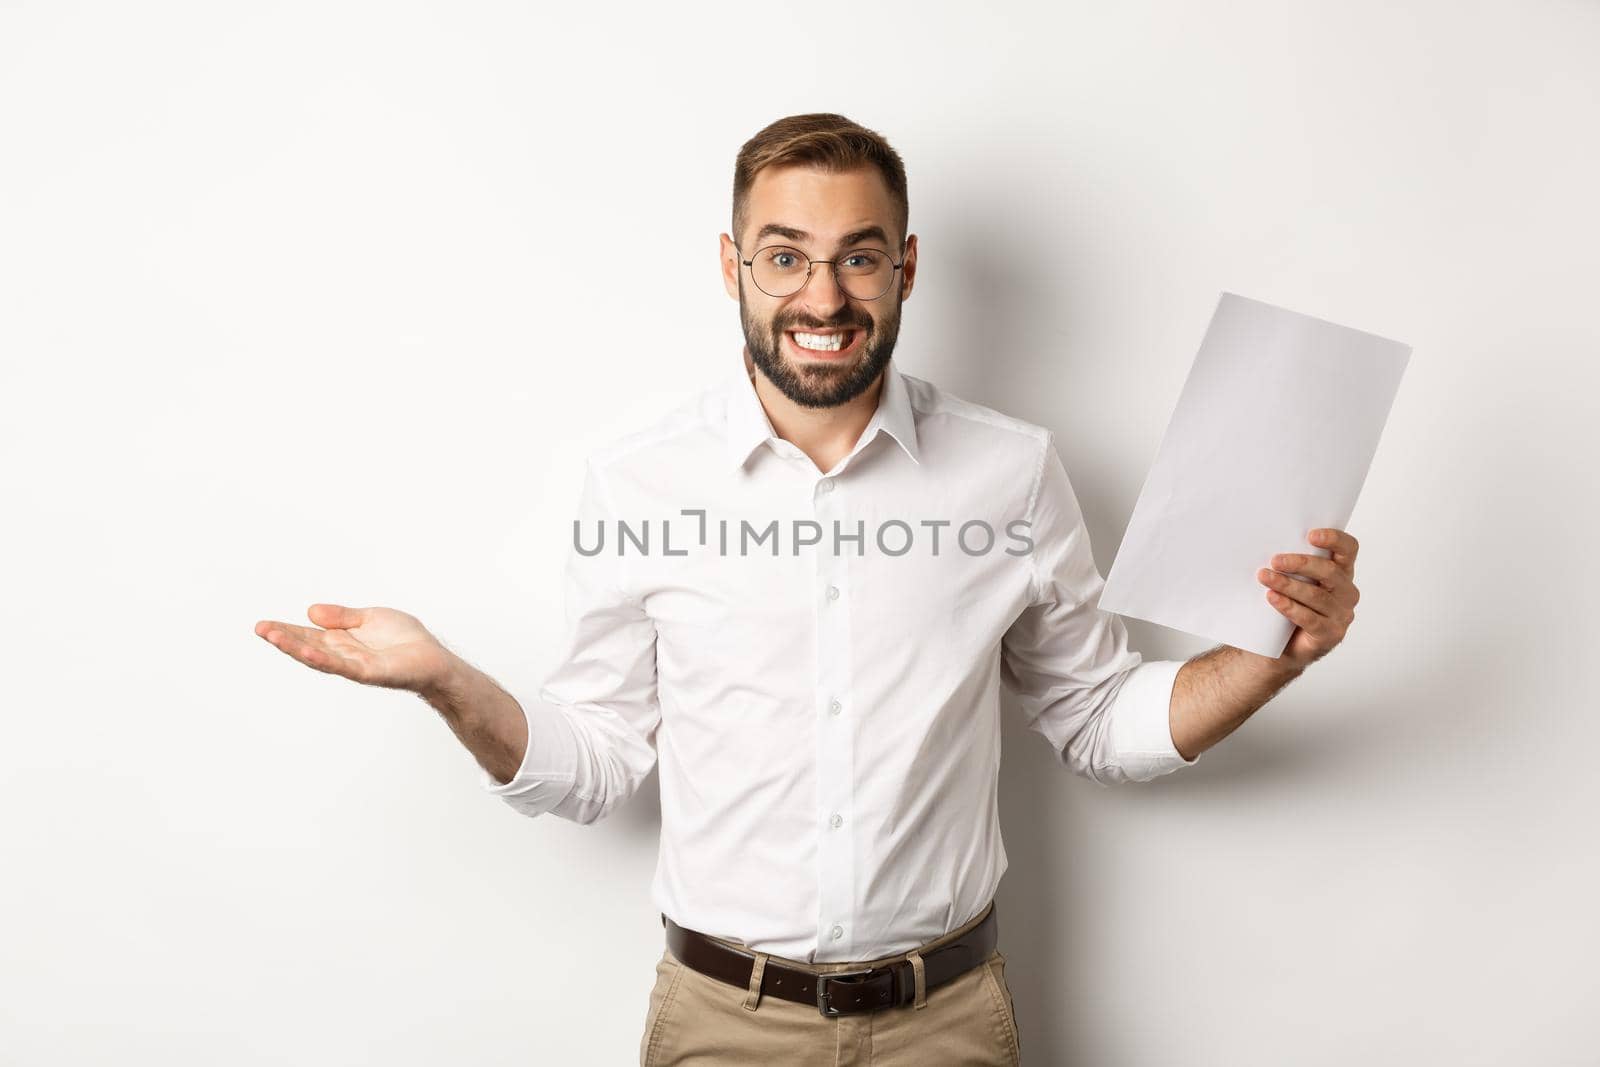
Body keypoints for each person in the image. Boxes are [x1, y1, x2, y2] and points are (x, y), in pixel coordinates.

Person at [254, 113, 1364, 1066]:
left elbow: (1093, 717)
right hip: (721, 1025)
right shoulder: (634, 476)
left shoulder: (1012, 470)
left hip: (950, 1024)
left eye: (859, 257)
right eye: (785, 257)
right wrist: (446, 681)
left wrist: (1271, 652)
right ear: (733, 265)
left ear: (907, 267)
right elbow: (595, 764)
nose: (821, 294)